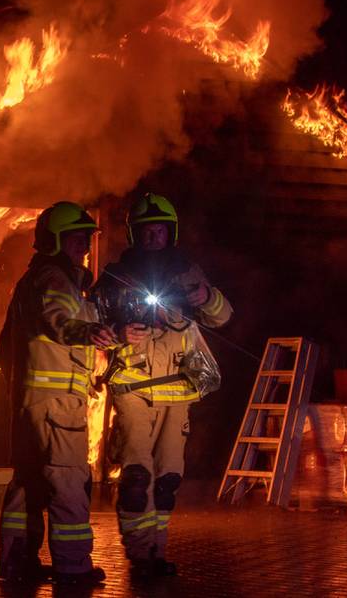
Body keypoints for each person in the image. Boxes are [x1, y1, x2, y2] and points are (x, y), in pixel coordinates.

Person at [94, 193, 232, 580]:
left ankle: (157, 552)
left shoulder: (187, 271)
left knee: (168, 480)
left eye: (159, 230)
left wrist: (204, 296)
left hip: (178, 390)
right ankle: (139, 554)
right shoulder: (115, 276)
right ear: (134, 234)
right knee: (137, 479)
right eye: (146, 230)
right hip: (134, 388)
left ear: (169, 232)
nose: (153, 236)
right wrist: (120, 331)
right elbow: (94, 325)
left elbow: (222, 316)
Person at [0, 201, 113, 587]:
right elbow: (60, 322)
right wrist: (88, 332)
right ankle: (73, 566)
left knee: (26, 483)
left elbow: (6, 343)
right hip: (58, 402)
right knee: (67, 481)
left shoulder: (31, 281)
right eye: (76, 237)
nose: (84, 244)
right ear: (54, 241)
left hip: (30, 403)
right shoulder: (56, 280)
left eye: (87, 237)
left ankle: (17, 562)